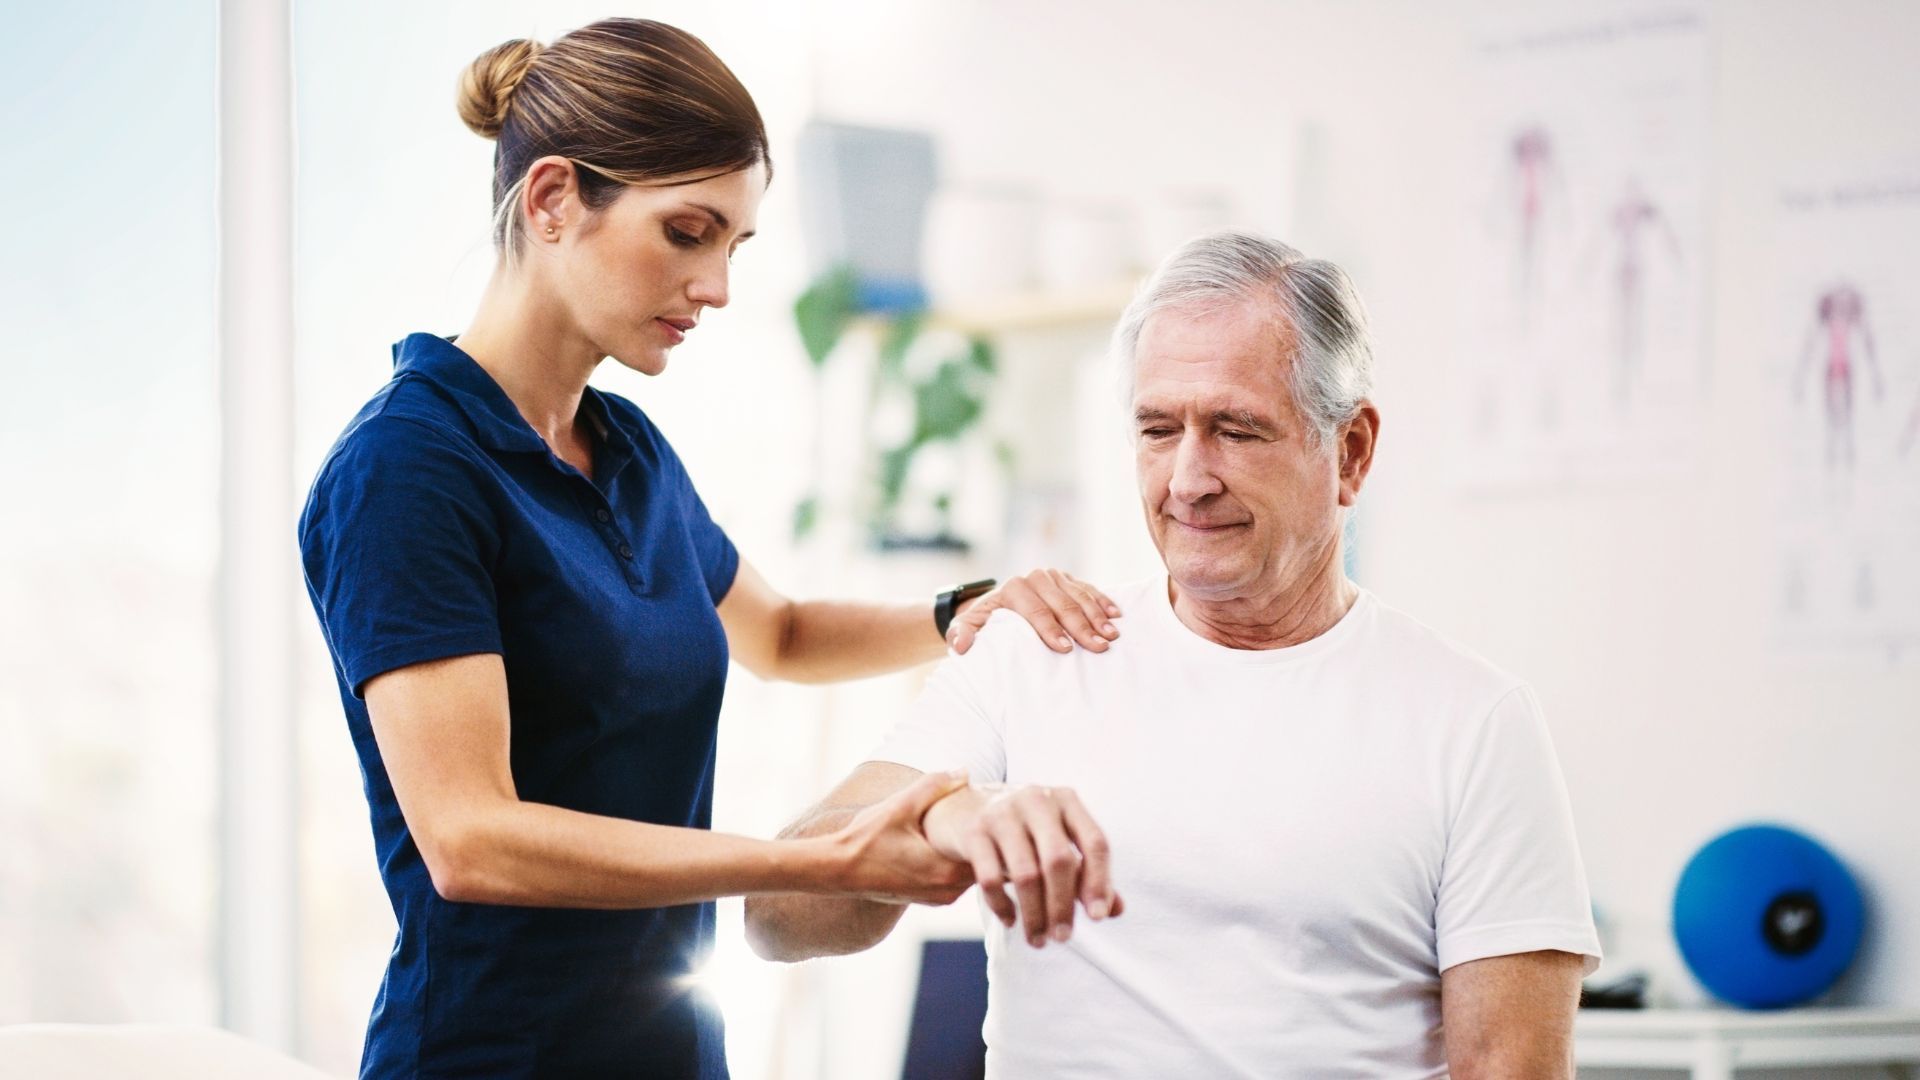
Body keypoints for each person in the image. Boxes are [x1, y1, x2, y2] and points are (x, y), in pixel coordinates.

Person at [297, 19, 1119, 1080]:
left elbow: (777, 632)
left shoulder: (624, 446)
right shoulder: (408, 469)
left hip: (670, 1052)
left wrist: (961, 611)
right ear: (551, 201)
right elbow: (471, 838)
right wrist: (814, 863)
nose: (720, 286)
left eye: (735, 245)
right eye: (688, 232)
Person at [747, 233, 1603, 1078]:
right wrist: (944, 818)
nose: (1188, 479)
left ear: (1351, 452)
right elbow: (775, 913)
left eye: (1236, 429)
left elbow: (1513, 1067)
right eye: (1159, 429)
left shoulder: (1475, 723)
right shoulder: (1035, 652)